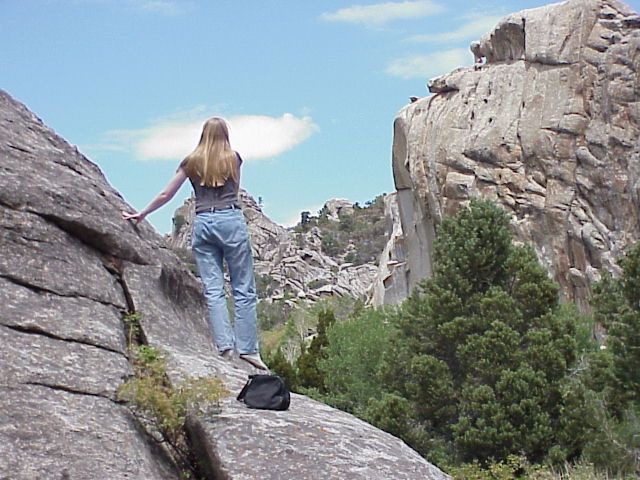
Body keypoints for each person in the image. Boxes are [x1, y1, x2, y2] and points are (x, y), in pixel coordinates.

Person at [122, 117, 268, 370]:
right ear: (225, 134)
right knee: (243, 287)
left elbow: (167, 193)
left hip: (203, 222)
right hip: (230, 219)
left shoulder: (191, 162)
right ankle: (248, 350)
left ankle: (224, 346)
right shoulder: (234, 159)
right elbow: (234, 190)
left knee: (213, 288)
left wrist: (143, 213)